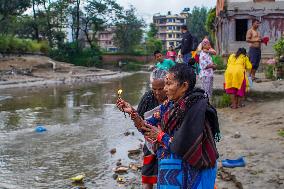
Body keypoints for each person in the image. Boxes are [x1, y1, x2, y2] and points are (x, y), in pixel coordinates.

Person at [117, 64, 219, 188]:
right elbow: (147, 127)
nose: (164, 89)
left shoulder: (195, 110)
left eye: (169, 84)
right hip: (170, 169)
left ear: (184, 86)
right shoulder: (169, 105)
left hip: (192, 172)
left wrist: (160, 135)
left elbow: (185, 146)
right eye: (165, 83)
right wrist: (132, 112)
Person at [137, 69, 168, 189]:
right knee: (147, 175)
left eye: (161, 89)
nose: (157, 93)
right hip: (150, 143)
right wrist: (148, 133)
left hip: (167, 142)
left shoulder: (173, 98)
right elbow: (139, 122)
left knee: (166, 175)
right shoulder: (148, 98)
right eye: (154, 89)